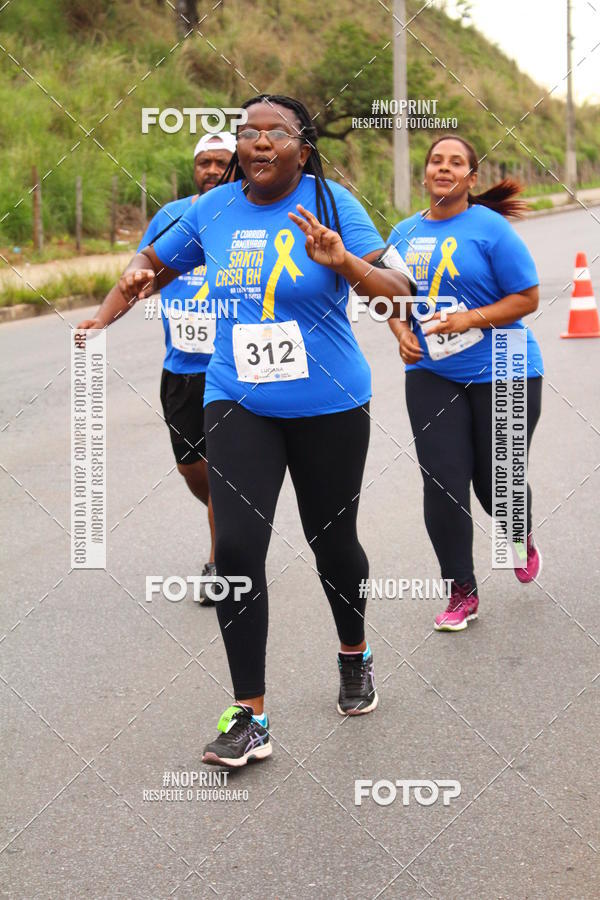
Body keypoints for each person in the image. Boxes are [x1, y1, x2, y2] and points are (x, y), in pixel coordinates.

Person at [113, 94, 416, 767]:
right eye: (246, 131)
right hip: (236, 397)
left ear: (301, 148)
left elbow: (398, 291)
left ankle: (352, 652)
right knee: (238, 549)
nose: (255, 142)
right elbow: (154, 268)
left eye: (271, 132)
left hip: (328, 401)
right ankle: (249, 714)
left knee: (332, 541)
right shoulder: (212, 209)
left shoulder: (334, 204)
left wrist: (345, 264)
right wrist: (130, 286)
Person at [388, 135, 543, 633]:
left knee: (495, 480)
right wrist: (400, 333)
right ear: (426, 172)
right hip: (432, 372)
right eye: (436, 160)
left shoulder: (490, 229)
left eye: (456, 163)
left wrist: (469, 318)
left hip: (506, 364)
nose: (444, 168)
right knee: (442, 480)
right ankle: (461, 590)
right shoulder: (404, 234)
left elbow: (527, 297)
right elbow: (390, 298)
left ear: (470, 179)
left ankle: (517, 532)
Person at [77, 132, 235, 605]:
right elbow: (140, 276)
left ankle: (220, 563)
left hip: (231, 368)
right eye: (203, 162)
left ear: (238, 166)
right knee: (193, 470)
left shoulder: (246, 215)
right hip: (181, 369)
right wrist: (101, 322)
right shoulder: (172, 217)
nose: (211, 169)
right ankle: (230, 516)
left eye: (220, 161)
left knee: (225, 473)